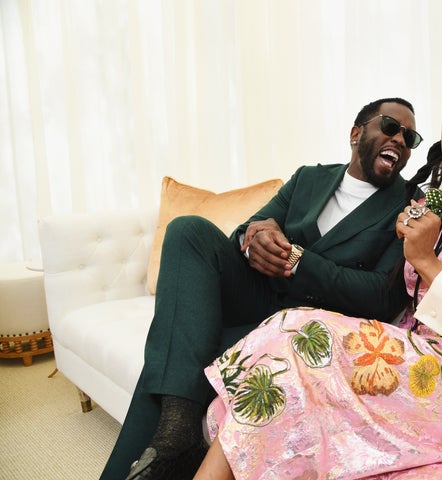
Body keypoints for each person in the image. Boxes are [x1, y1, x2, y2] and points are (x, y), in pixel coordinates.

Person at [191, 80, 442, 480]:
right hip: (414, 356)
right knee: (244, 399)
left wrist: (424, 260)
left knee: (298, 331)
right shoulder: (422, 205)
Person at [104, 97, 424, 480]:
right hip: (256, 296)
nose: (401, 139)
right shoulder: (309, 178)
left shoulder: (408, 204)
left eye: (410, 136)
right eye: (391, 126)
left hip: (306, 328)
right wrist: (253, 237)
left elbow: (381, 295)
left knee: (180, 357)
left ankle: (175, 430)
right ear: (357, 134)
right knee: (189, 230)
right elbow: (250, 226)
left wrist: (296, 259)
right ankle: (180, 430)